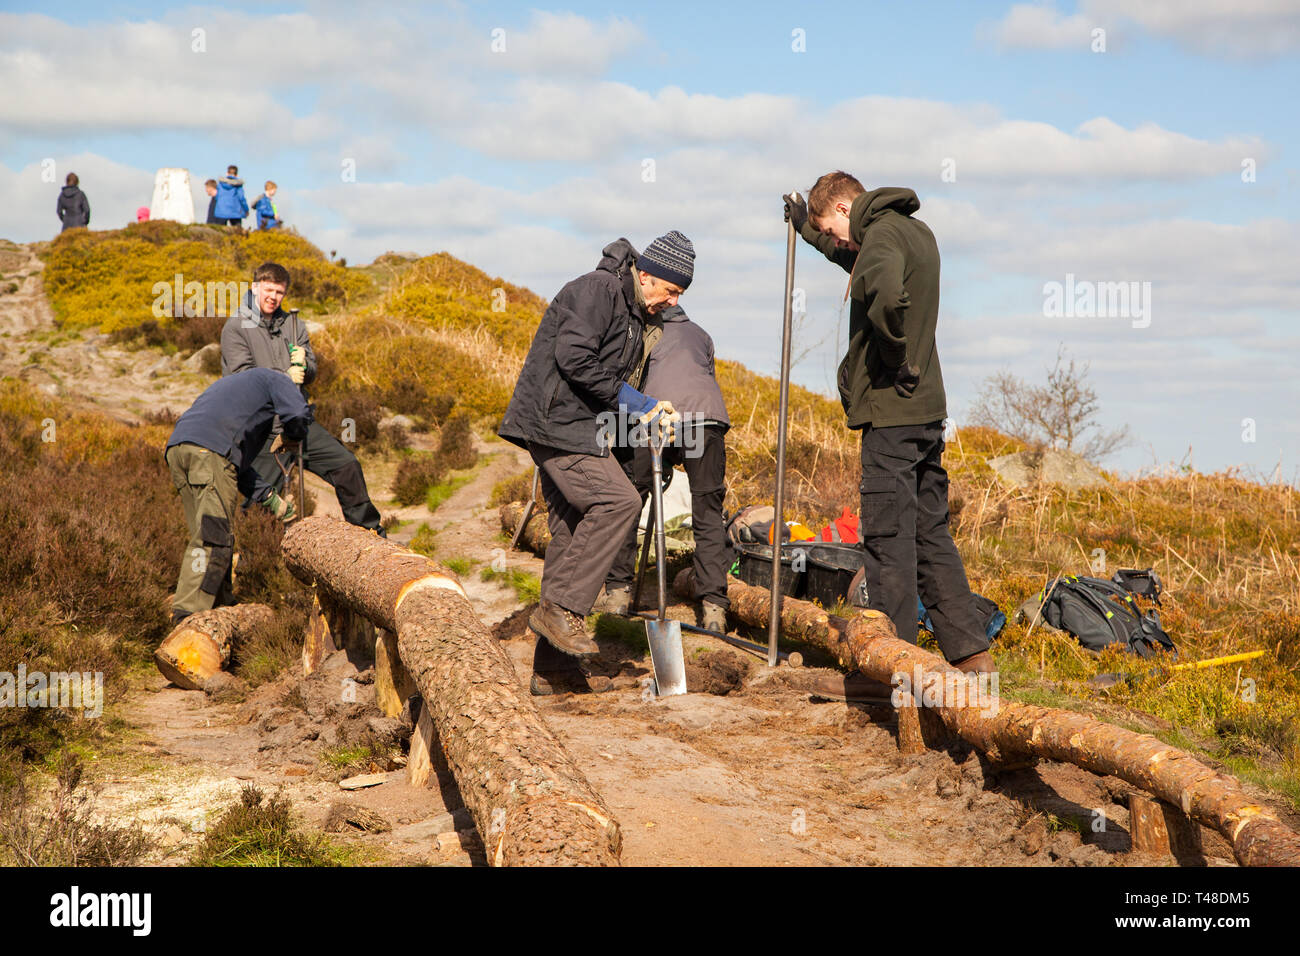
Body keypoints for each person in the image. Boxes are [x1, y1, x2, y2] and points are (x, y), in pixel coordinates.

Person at [783, 173, 995, 702]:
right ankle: (971, 656)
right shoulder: (911, 231)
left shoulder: (878, 236)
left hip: (893, 411)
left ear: (842, 204)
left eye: (830, 224)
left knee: (888, 539)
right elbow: (857, 261)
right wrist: (808, 232)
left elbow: (881, 294)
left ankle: (893, 672)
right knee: (930, 533)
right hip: (927, 412)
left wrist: (895, 358)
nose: (838, 237)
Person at [499, 232, 691, 695]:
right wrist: (642, 404)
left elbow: (605, 384)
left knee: (569, 529)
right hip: (554, 425)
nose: (672, 302)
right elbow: (575, 359)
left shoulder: (633, 313)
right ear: (646, 275)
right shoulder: (597, 290)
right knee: (618, 502)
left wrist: (639, 424)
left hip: (582, 427)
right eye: (670, 291)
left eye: (679, 295)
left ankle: (553, 672)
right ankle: (563, 609)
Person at [220, 261, 386, 535]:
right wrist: (285, 376)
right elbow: (241, 379)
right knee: (261, 507)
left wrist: (306, 366)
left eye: (280, 292)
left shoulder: (293, 324)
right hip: (260, 429)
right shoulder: (236, 327)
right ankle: (254, 564)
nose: (273, 297)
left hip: (297, 421)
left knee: (347, 467)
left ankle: (372, 536)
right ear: (254, 287)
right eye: (269, 290)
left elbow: (311, 369)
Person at [599, 304, 731, 632]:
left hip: (654, 415)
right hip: (706, 419)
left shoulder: (645, 332)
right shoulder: (702, 334)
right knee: (708, 509)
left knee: (629, 498)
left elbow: (629, 385)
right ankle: (714, 607)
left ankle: (617, 592)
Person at [164, 367, 311, 623]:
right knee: (212, 537)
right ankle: (187, 615)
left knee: (206, 533)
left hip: (179, 450)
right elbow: (298, 414)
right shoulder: (277, 379)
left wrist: (271, 499)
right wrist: (291, 435)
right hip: (208, 455)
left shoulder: (233, 389)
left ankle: (219, 607)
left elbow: (233, 468)